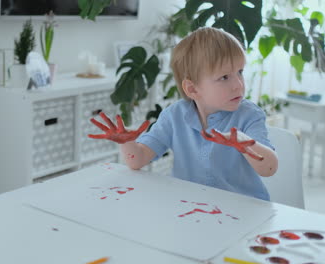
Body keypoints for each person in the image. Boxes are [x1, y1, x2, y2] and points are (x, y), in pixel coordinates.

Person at [88, 27, 278, 201]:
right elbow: (137, 160)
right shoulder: (174, 116)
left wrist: (244, 144)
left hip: (243, 211)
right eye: (224, 77)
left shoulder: (249, 115)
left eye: (240, 72)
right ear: (193, 89)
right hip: (192, 207)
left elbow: (269, 169)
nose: (238, 84)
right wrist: (127, 142)